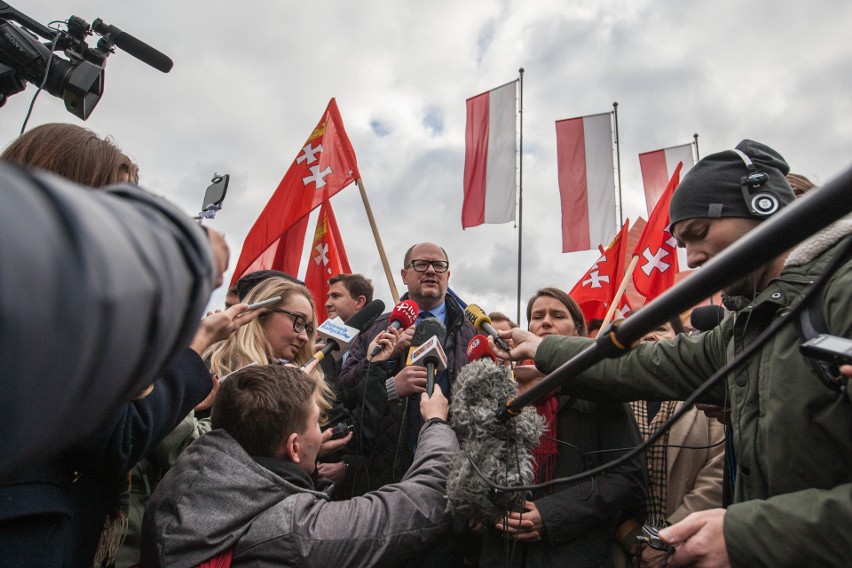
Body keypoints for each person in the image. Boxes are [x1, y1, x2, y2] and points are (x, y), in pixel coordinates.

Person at [490, 139, 852, 567]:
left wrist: (747, 534)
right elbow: (640, 364)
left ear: (766, 204)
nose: (694, 259)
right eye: (682, 243)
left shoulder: (841, 295)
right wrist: (545, 348)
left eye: (699, 234)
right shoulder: (744, 328)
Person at [140, 358, 459, 567]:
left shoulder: (185, 474)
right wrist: (435, 421)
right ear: (293, 447)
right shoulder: (294, 534)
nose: (320, 434)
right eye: (315, 422)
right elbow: (426, 500)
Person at [480, 288, 646, 567]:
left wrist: (550, 514)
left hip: (574, 552)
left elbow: (628, 478)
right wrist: (492, 510)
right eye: (537, 316)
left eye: (557, 315)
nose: (545, 322)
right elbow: (475, 468)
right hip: (503, 553)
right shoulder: (502, 393)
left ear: (578, 332)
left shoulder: (601, 393)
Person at [336, 242, 477, 566]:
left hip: (450, 481)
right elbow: (341, 391)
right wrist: (387, 379)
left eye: (439, 265)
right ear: (404, 274)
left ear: (448, 274)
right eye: (421, 264)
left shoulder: (469, 330)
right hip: (383, 481)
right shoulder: (378, 327)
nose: (430, 270)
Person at [614, 318, 725, 568]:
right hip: (626, 549)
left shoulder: (706, 396)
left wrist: (668, 538)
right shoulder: (614, 401)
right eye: (640, 333)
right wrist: (633, 538)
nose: (649, 336)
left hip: (691, 540)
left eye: (660, 328)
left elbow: (718, 471)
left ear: (680, 339)